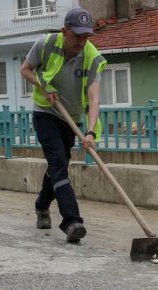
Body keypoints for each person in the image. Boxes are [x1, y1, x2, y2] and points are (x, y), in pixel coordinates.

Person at [20, 7, 106, 243]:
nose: (81, 40)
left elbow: (94, 97)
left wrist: (90, 132)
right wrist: (44, 86)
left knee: (58, 166)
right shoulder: (45, 44)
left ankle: (41, 205)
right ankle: (72, 222)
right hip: (46, 113)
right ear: (64, 31)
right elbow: (25, 70)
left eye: (86, 35)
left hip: (73, 118)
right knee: (58, 163)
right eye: (76, 35)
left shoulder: (92, 57)